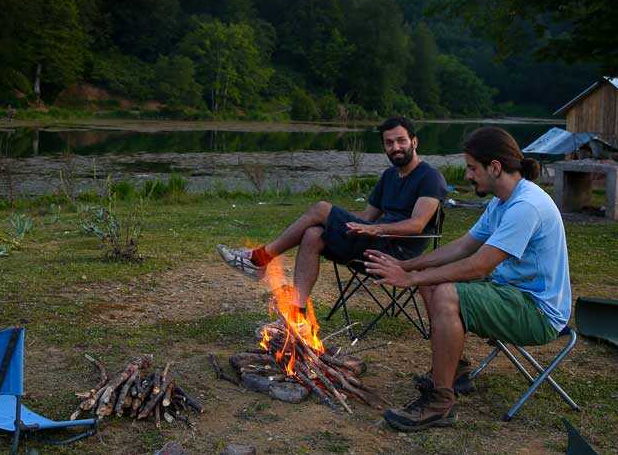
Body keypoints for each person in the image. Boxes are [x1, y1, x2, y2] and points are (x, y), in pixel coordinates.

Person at [364, 126, 571, 432]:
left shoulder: (525, 206)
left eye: (472, 169)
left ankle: (440, 402)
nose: (469, 176)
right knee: (431, 281)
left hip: (538, 312)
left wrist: (407, 279)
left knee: (447, 292)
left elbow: (478, 266)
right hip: (509, 293)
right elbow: (463, 246)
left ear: (495, 167)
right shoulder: (502, 201)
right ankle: (455, 370)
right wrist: (409, 267)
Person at [216, 117, 447, 329]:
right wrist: (346, 222)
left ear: (414, 142)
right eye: (389, 143)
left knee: (321, 208)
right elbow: (366, 219)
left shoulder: (429, 177)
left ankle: (260, 259)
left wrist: (374, 228)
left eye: (401, 141)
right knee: (313, 235)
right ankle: (297, 315)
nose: (395, 147)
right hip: (373, 245)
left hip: (398, 254)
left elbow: (416, 225)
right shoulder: (389, 176)